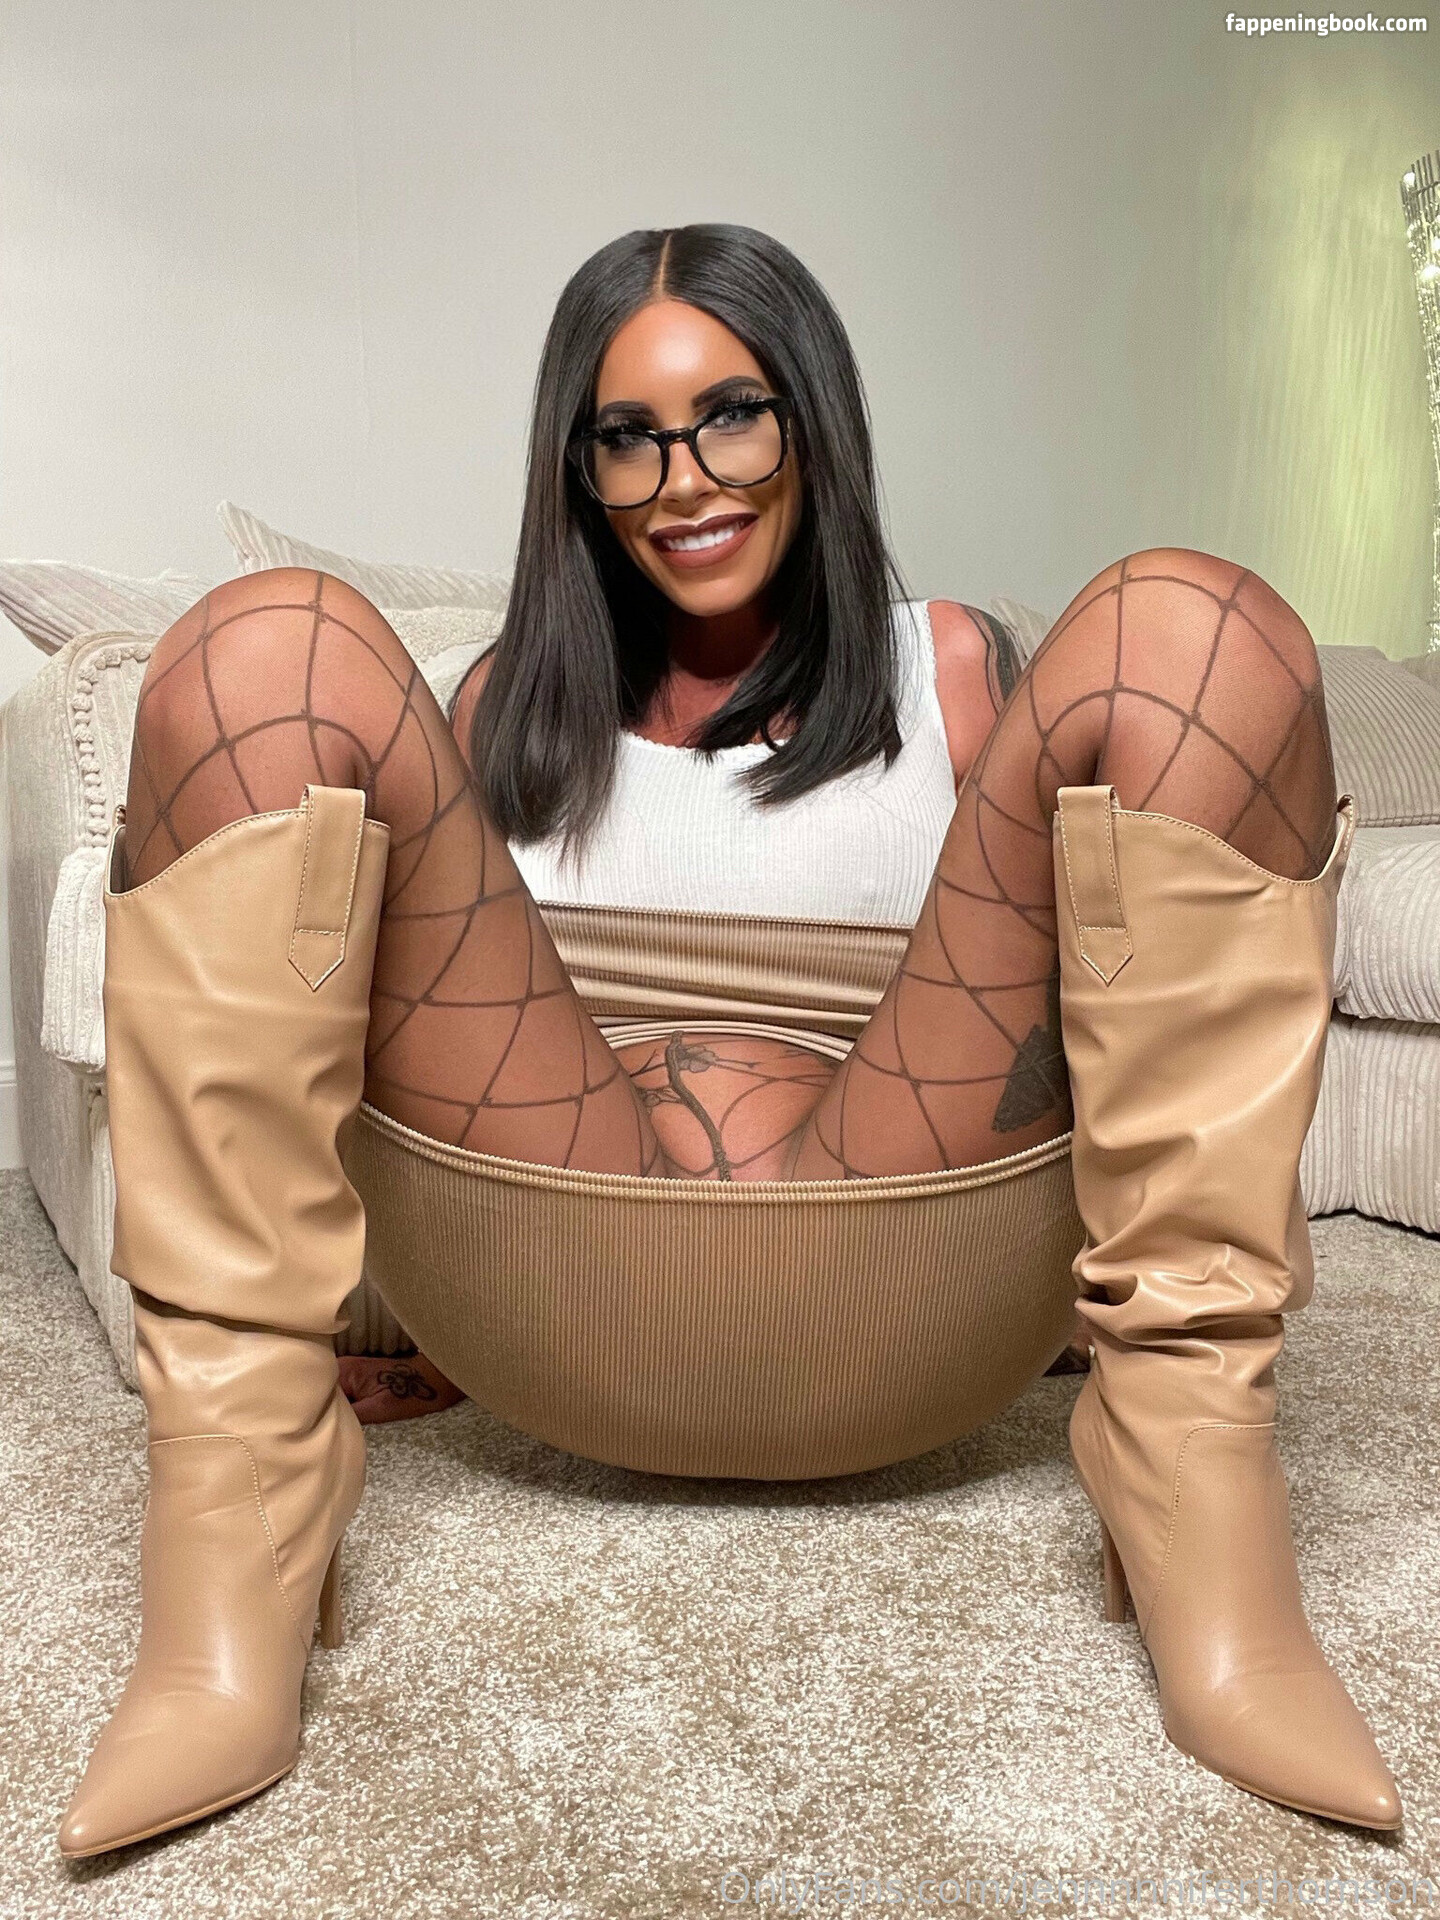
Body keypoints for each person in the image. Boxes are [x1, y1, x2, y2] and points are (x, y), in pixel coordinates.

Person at [58, 224, 1400, 1858]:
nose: (683, 479)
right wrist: (364, 1306)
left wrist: (1093, 1291)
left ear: (813, 416)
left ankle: (1193, 1476)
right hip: (549, 1290)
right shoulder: (491, 707)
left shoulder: (954, 671)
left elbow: (1107, 1018)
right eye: (627, 435)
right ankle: (236, 1530)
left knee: (1190, 624)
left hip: (908, 1278)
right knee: (268, 646)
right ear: (578, 470)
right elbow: (367, 1050)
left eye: (734, 416)